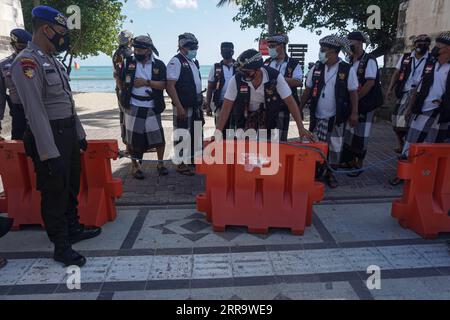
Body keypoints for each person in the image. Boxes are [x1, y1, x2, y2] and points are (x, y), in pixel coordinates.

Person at [11, 5, 101, 267]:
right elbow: (35, 111)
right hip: (49, 136)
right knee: (54, 191)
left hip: (68, 133)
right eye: (61, 32)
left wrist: (80, 133)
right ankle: (61, 246)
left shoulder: (53, 62)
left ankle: (73, 228)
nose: (64, 38)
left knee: (72, 183)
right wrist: (48, 152)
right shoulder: (27, 62)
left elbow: (68, 104)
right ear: (46, 29)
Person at [390, 32, 450, 186]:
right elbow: (419, 86)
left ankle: (425, 177)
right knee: (411, 141)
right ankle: (403, 175)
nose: (435, 48)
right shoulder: (431, 64)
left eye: (439, 46)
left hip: (440, 112)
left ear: (447, 49)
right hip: (422, 108)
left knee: (432, 145)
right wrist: (410, 107)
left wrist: (443, 101)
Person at [216, 49, 314, 143]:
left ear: (258, 70)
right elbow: (226, 107)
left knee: (270, 152)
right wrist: (218, 131)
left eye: (247, 72)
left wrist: (300, 128)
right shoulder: (236, 80)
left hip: (269, 117)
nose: (244, 76)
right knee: (244, 153)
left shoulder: (275, 77)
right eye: (242, 72)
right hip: (244, 117)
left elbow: (290, 102)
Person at [299, 35, 359, 188]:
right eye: (321, 49)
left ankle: (331, 174)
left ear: (334, 52)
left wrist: (354, 113)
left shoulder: (347, 69)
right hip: (317, 116)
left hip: (336, 116)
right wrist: (298, 108)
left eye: (324, 50)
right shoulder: (317, 68)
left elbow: (353, 92)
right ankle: (314, 171)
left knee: (334, 146)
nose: (321, 53)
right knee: (315, 145)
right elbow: (308, 90)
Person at [119, 35, 168, 179]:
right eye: (135, 49)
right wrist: (124, 97)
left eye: (140, 50)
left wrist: (146, 82)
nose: (137, 52)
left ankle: (160, 163)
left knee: (158, 137)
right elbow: (120, 80)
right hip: (133, 105)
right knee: (133, 139)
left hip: (152, 105)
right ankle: (135, 167)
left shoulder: (159, 65)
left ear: (148, 50)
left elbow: (164, 85)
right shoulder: (128, 62)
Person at [341, 31, 384, 177]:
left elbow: (370, 83)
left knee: (361, 134)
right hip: (353, 103)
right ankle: (350, 160)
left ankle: (358, 164)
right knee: (350, 132)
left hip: (365, 103)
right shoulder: (350, 60)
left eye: (350, 42)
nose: (349, 46)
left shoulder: (369, 60)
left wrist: (356, 100)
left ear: (359, 42)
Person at [166, 33, 204, 176]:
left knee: (195, 133)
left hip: (195, 105)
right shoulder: (175, 62)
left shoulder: (193, 62)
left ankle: (192, 159)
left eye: (196, 46)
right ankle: (180, 164)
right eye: (191, 47)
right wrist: (179, 107)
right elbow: (170, 86)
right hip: (183, 106)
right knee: (182, 134)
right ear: (182, 47)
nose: (194, 49)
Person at [386, 34, 431, 154]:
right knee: (396, 120)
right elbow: (397, 73)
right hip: (404, 91)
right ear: (414, 44)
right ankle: (401, 142)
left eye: (426, 42)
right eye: (419, 42)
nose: (422, 45)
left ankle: (408, 145)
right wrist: (390, 89)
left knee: (410, 121)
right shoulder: (406, 57)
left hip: (419, 94)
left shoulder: (431, 59)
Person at [265, 34, 304, 141]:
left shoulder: (293, 63)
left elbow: (298, 82)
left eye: (273, 46)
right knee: (266, 139)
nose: (270, 49)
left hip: (283, 106)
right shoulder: (267, 62)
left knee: (280, 140)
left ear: (281, 46)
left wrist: (278, 79)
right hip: (267, 107)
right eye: (269, 46)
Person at [0, 28, 32, 141]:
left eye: (26, 46)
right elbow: (1, 96)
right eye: (20, 46)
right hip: (19, 114)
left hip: (40, 111)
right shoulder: (3, 65)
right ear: (13, 45)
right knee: (18, 147)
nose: (23, 49)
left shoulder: (37, 62)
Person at [203, 42, 236, 131]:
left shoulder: (239, 66)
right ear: (220, 52)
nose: (225, 52)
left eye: (228, 50)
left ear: (233, 52)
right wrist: (208, 105)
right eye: (223, 50)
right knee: (220, 129)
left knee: (235, 130)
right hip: (220, 104)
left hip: (236, 104)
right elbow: (210, 87)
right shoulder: (216, 67)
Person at [113, 30, 134, 146]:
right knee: (129, 115)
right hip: (127, 89)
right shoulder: (129, 54)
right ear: (130, 40)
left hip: (119, 88)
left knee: (122, 115)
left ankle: (126, 143)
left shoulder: (116, 53)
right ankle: (130, 144)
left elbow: (117, 74)